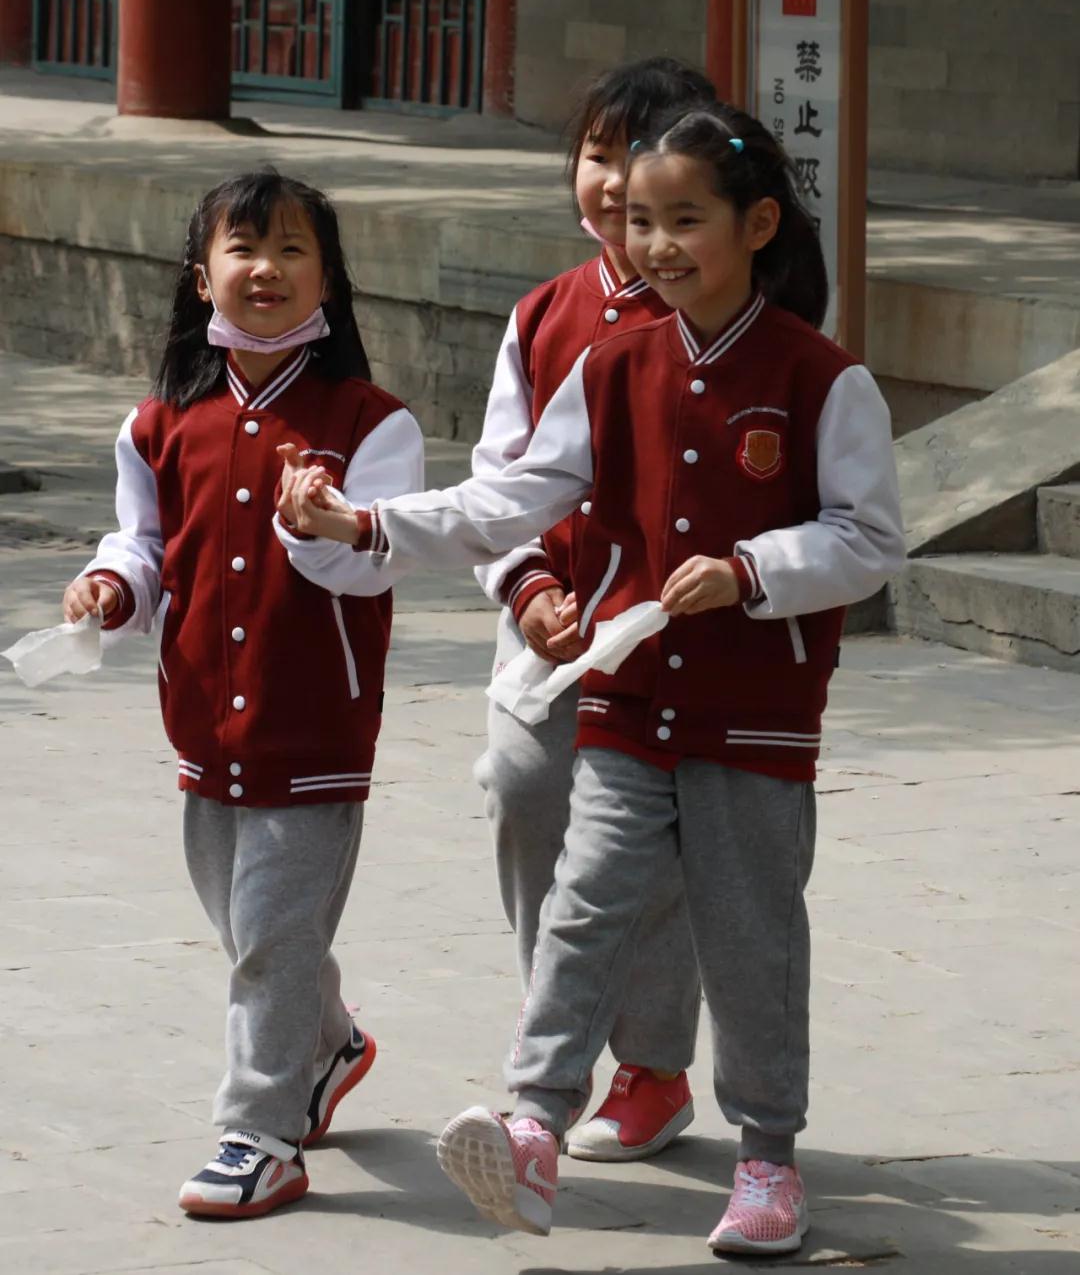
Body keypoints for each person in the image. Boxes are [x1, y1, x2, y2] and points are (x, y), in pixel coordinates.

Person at [278, 104, 905, 1256]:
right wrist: (367, 521)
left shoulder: (822, 377)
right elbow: (512, 497)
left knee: (752, 938)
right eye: (642, 220)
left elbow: (869, 540)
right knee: (583, 907)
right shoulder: (610, 364)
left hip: (755, 717)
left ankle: (767, 1156)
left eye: (686, 220)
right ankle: (533, 1124)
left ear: (759, 224)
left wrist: (755, 570)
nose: (657, 244)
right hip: (624, 695)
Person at [61, 170, 423, 1219]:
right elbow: (143, 544)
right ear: (201, 274)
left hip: (313, 724)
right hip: (201, 719)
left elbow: (381, 560)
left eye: (293, 249)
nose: (267, 269)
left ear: (329, 279)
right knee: (252, 926)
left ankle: (260, 1132)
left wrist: (324, 526)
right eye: (244, 248)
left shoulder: (371, 422)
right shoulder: (159, 422)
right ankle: (329, 1041)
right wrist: (111, 586)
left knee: (269, 933)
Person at [469, 57, 716, 1163]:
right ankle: (555, 1041)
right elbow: (498, 480)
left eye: (642, 160)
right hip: (552, 625)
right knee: (525, 794)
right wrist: (528, 586)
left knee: (650, 847)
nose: (615, 184)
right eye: (598, 155)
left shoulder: (725, 317)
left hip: (668, 634)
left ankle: (652, 1067)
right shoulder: (542, 314)